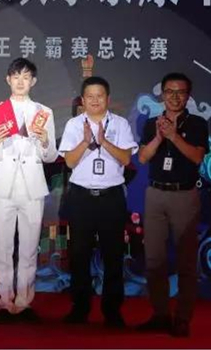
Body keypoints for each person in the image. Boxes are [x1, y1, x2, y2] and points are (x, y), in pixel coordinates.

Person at [57, 76, 137, 327]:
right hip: (81, 197)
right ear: (83, 100)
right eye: (89, 96)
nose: (94, 100)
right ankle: (80, 308)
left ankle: (112, 310)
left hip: (111, 197)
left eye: (99, 96)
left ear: (107, 99)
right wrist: (86, 141)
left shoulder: (120, 124)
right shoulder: (73, 125)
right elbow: (70, 162)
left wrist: (104, 142)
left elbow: (126, 159)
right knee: (79, 255)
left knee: (113, 255)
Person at [0, 58, 57, 322]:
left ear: (33, 81)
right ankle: (5, 301)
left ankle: (24, 302)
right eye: (16, 76)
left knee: (28, 249)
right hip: (3, 187)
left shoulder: (44, 112)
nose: (20, 81)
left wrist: (45, 140)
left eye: (26, 77)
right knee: (2, 248)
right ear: (8, 79)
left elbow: (51, 156)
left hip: (32, 188)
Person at [137, 73, 209, 338]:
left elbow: (197, 157)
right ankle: (160, 314)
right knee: (154, 260)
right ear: (162, 94)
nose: (175, 97)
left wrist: (174, 135)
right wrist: (159, 136)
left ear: (188, 96)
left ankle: (182, 318)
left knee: (186, 261)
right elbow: (143, 158)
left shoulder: (198, 123)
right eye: (170, 91)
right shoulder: (151, 123)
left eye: (181, 92)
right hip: (155, 194)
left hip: (184, 195)